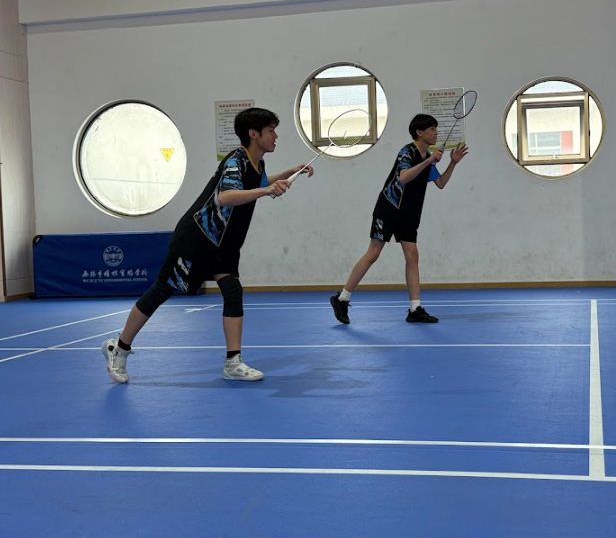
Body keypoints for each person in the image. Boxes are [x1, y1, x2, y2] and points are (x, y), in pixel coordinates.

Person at [102, 107, 313, 384]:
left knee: (232, 291)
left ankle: (233, 363)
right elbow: (226, 196)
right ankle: (118, 348)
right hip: (197, 239)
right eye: (271, 130)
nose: (276, 136)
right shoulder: (236, 161)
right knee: (161, 290)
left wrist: (290, 172)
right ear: (253, 134)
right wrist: (266, 191)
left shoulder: (256, 163)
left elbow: (258, 182)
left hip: (223, 244)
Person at [330, 113, 468, 325]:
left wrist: (453, 163)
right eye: (432, 129)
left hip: (409, 213)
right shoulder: (407, 152)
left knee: (412, 256)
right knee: (373, 253)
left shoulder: (427, 156)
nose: (436, 133)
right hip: (389, 208)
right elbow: (403, 177)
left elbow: (440, 183)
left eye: (436, 129)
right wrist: (429, 161)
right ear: (419, 132)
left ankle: (415, 309)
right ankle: (342, 299)